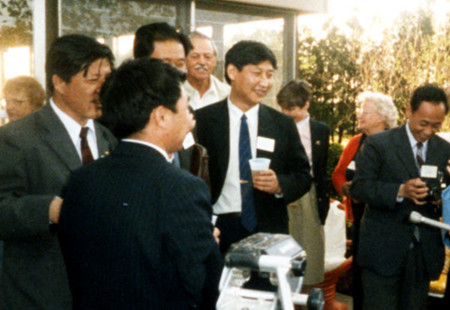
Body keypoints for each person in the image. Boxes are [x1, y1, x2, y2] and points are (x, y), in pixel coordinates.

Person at [58, 58, 223, 309]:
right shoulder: (182, 187)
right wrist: (207, 244)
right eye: (187, 109)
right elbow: (200, 282)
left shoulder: (81, 179)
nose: (192, 119)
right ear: (162, 116)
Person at [0, 34, 117, 309]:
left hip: (100, 290)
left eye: (107, 79)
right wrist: (49, 210)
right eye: (92, 80)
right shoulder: (17, 138)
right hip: (41, 293)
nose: (103, 89)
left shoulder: (108, 138)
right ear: (59, 82)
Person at [196, 40, 311, 255]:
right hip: (218, 228)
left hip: (268, 229)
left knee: (264, 288)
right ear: (232, 71)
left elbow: (303, 176)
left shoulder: (281, 124)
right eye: (257, 73)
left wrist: (279, 185)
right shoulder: (203, 121)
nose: (265, 82)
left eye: (269, 75)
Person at [350, 84, 450, 310]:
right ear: (408, 111)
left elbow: (446, 190)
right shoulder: (379, 144)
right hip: (383, 251)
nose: (427, 132)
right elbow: (360, 188)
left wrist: (440, 198)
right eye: (423, 124)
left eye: (436, 126)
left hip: (423, 253)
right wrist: (400, 191)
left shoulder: (444, 150)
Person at [332, 91, 398, 310]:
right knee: (360, 277)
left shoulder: (396, 145)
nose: (359, 115)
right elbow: (338, 174)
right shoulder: (354, 143)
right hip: (360, 222)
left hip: (387, 223)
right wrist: (345, 188)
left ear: (381, 117)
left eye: (365, 112)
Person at [276, 79, 330, 287]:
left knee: (310, 254)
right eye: (283, 108)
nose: (287, 113)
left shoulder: (321, 130)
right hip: (285, 192)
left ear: (306, 104)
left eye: (292, 108)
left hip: (310, 195)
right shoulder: (277, 126)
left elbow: (322, 168)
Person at [184, 31, 230, 110]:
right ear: (184, 59)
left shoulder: (227, 94)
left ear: (215, 60)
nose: (202, 62)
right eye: (195, 56)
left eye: (207, 57)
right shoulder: (173, 92)